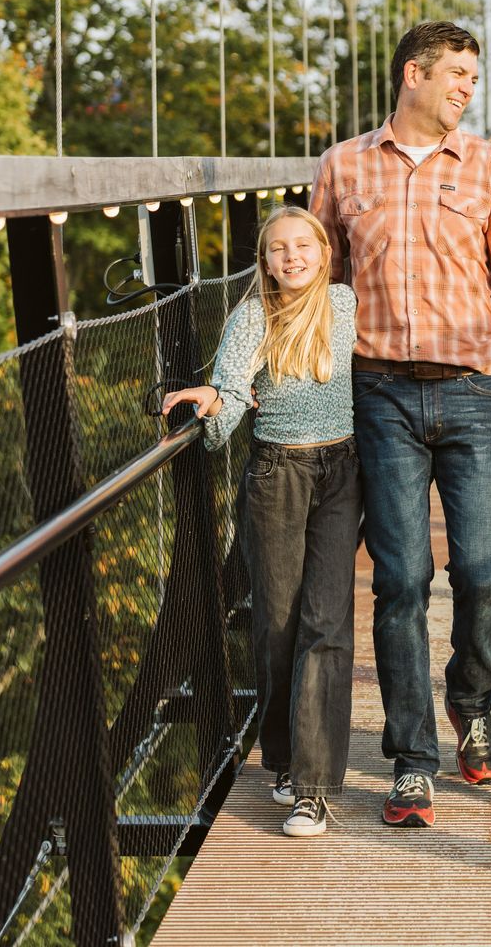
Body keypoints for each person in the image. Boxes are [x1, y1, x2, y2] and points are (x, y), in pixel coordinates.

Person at [311, 19, 491, 830]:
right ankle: (410, 760)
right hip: (380, 395)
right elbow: (311, 285)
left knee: (484, 570)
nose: (471, 88)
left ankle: (473, 701)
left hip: (473, 393)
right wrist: (256, 380)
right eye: (459, 74)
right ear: (413, 76)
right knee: (399, 580)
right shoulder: (342, 166)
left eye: (475, 75)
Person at [161, 206, 358, 838]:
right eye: (278, 250)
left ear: (324, 251)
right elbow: (223, 415)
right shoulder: (252, 317)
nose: (292, 257)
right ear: (264, 261)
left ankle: (313, 788)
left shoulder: (347, 305)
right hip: (276, 474)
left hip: (343, 473)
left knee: (325, 624)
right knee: (276, 623)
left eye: (303, 245)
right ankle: (281, 756)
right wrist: (211, 403)